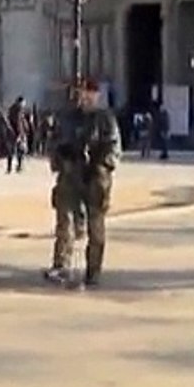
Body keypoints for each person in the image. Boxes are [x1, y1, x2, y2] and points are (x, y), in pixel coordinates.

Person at [45, 78, 121, 289]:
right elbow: (55, 143)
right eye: (80, 93)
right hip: (71, 174)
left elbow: (114, 150)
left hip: (95, 177)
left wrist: (100, 166)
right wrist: (62, 159)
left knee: (95, 226)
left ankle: (93, 271)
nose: (83, 98)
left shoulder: (106, 119)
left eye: (87, 93)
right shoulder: (68, 118)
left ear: (96, 96)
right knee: (65, 219)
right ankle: (62, 265)